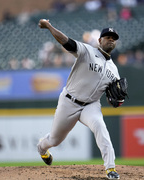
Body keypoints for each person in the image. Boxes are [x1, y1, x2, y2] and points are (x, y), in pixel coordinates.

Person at [37, 19, 122, 179]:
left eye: (113, 38)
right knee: (55, 140)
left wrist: (116, 101)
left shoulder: (114, 70)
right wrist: (49, 26)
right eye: (107, 37)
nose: (111, 39)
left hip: (91, 106)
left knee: (100, 127)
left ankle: (110, 168)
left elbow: (114, 97)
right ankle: (42, 148)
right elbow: (66, 42)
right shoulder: (87, 51)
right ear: (99, 40)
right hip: (69, 101)